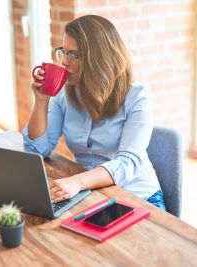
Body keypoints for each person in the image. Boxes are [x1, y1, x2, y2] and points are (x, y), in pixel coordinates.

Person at [22, 15, 165, 210]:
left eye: (74, 55)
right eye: (63, 52)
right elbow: (36, 150)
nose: (64, 62)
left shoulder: (136, 97)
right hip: (90, 194)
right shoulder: (64, 93)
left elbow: (127, 163)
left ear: (98, 57)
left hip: (137, 195)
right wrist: (41, 100)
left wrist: (77, 182)